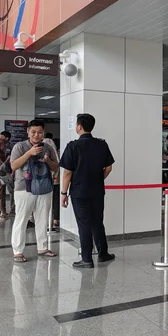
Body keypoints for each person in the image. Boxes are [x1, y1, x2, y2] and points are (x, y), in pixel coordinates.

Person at [60, 114, 116, 269]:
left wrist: (63, 193)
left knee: (84, 224)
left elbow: (67, 173)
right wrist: (98, 179)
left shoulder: (72, 146)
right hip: (97, 190)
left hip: (79, 192)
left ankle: (86, 259)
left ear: (79, 127)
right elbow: (109, 167)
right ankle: (103, 253)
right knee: (97, 221)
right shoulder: (101, 145)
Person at [10, 120, 59, 262]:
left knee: (42, 218)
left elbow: (56, 167)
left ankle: (43, 247)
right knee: (22, 219)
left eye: (40, 132)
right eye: (33, 132)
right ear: (28, 131)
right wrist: (29, 153)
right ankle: (18, 251)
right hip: (24, 188)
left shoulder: (48, 147)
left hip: (44, 187)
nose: (37, 135)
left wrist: (48, 161)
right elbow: (14, 166)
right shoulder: (20, 146)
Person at [43, 137, 60, 228]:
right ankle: (56, 219)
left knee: (46, 201)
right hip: (56, 181)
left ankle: (46, 220)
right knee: (56, 201)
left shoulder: (43, 155)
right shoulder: (57, 155)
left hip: (45, 182)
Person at [0, 130, 15, 215]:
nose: (0, 139)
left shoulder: (9, 147)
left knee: (11, 190)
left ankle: (12, 209)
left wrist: (13, 172)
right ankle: (2, 210)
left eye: (2, 137)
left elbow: (12, 160)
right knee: (1, 191)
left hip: (8, 171)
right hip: (2, 171)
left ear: (7, 138)